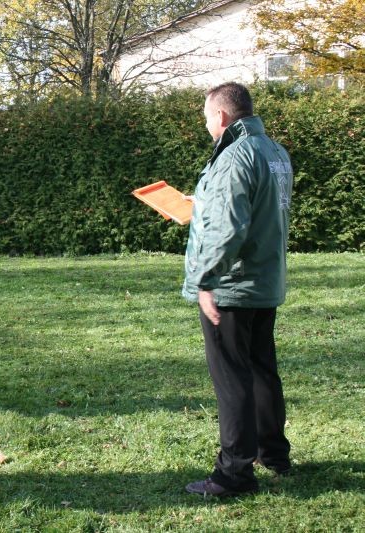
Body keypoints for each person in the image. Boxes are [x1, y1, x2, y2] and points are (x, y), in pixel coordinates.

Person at [182, 82, 294, 497]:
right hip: (265, 279)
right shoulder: (275, 152)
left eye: (206, 118)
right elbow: (255, 207)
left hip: (232, 285)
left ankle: (234, 473)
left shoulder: (234, 155)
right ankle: (274, 454)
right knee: (262, 369)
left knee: (232, 378)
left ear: (222, 116)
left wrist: (207, 280)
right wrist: (202, 203)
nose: (206, 125)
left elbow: (230, 228)